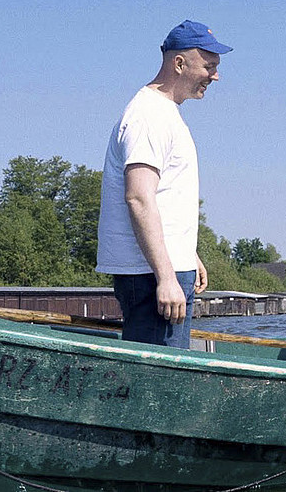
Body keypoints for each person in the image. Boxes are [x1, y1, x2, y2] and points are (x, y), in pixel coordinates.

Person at [95, 20, 232, 348]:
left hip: (161, 269)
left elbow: (163, 197)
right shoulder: (149, 116)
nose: (215, 76)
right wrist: (167, 276)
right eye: (209, 67)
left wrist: (187, 252)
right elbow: (139, 197)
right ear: (179, 63)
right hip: (151, 275)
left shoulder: (163, 112)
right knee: (155, 386)